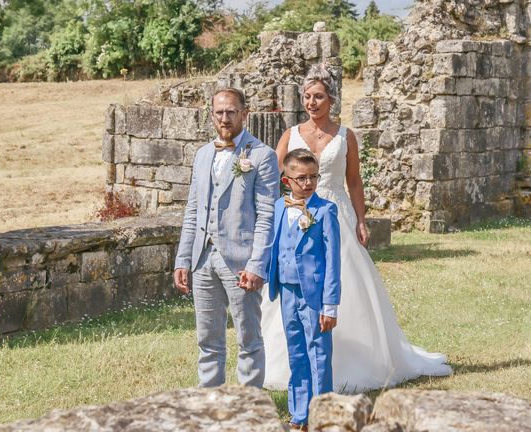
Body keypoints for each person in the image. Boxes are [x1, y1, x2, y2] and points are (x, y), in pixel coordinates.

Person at [262, 64, 452, 393]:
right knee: (296, 282)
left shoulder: (345, 136)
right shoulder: (290, 134)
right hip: (297, 214)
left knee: (344, 283)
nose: (311, 102)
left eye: (318, 96)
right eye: (307, 97)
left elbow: (354, 182)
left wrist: (362, 220)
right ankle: (289, 360)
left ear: (331, 99)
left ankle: (353, 361)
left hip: (336, 216)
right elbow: (270, 175)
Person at [174, 87, 279, 388]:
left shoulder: (262, 156)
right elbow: (193, 211)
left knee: (248, 338)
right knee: (208, 339)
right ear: (211, 114)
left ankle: (249, 409)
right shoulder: (203, 155)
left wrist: (258, 264)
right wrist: (183, 258)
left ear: (245, 114)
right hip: (203, 259)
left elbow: (267, 216)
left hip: (241, 260)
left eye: (231, 112)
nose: (225, 118)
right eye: (219, 112)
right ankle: (212, 406)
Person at [267, 148, 341, 430]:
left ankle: (322, 415)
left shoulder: (326, 210)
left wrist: (330, 304)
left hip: (314, 294)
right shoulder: (278, 208)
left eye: (313, 177)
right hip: (286, 290)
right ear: (287, 180)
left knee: (319, 354)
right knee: (296, 352)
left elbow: (333, 261)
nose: (308, 183)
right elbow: (273, 248)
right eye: (301, 178)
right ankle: (299, 414)